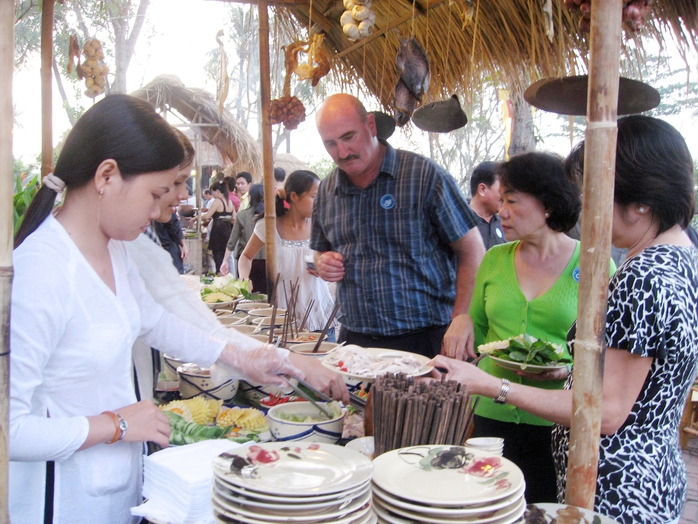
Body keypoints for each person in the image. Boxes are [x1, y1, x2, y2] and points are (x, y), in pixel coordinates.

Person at [8, 95, 345, 524]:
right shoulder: (41, 270)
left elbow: (158, 322)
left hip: (115, 487)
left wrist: (253, 358)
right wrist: (116, 425)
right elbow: (10, 431)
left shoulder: (115, 251)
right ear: (107, 176)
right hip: (59, 501)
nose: (159, 211)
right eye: (155, 193)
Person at [431, 115, 698, 524]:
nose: (587, 204)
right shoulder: (682, 259)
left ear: (641, 200)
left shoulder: (641, 277)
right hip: (654, 474)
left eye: (596, 190)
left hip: (615, 489)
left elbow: (606, 412)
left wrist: (493, 385)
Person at [455, 151, 590, 503]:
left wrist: (566, 367)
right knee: (487, 508)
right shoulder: (495, 259)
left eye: (512, 201)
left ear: (547, 205)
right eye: (501, 201)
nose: (502, 211)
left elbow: (605, 357)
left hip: (556, 421)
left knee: (545, 509)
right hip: (490, 418)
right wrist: (462, 319)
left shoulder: (592, 265)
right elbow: (480, 336)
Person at [311, 93, 485, 358]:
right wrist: (323, 261)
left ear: (370, 125)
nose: (342, 152)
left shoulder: (423, 175)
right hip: (355, 341)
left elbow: (472, 251)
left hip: (427, 338)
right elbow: (319, 251)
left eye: (349, 137)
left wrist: (461, 317)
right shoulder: (326, 190)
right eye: (330, 144)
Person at [239, 170, 337, 334]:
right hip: (282, 317)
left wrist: (324, 268)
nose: (320, 203)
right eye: (314, 197)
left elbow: (328, 258)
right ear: (294, 197)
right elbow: (246, 257)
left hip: (319, 314)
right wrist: (243, 280)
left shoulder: (320, 224)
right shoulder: (269, 225)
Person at [220, 183, 266, 291]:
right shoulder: (271, 216)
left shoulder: (241, 215)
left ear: (249, 197)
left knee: (247, 296)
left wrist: (225, 260)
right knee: (267, 297)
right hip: (267, 263)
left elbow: (232, 240)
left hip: (246, 262)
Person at [468, 161, 506, 250]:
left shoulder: (505, 224)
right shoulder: (459, 226)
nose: (505, 195)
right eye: (501, 188)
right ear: (482, 189)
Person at [201, 180, 235, 274]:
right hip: (227, 231)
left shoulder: (217, 201)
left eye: (213, 192)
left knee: (218, 259)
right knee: (226, 258)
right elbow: (234, 218)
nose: (213, 194)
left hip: (218, 233)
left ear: (218, 191)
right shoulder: (230, 202)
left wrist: (197, 217)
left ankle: (220, 281)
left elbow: (207, 216)